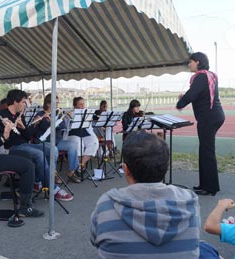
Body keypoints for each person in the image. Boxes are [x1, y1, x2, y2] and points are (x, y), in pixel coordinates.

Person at [90, 130, 202, 258]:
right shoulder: (189, 202)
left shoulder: (107, 204)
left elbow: (95, 239)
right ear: (165, 167)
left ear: (125, 169)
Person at [0, 89, 73, 202]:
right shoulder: (2, 116)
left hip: (23, 145)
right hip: (10, 148)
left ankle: (39, 181)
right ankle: (52, 189)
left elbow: (28, 137)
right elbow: (6, 142)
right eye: (23, 102)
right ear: (15, 102)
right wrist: (10, 129)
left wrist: (24, 126)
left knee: (52, 149)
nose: (25, 105)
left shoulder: (19, 115)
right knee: (39, 154)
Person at [176, 52, 225, 196]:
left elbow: (192, 94)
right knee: (206, 150)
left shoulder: (201, 76)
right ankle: (205, 184)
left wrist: (180, 103)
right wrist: (186, 96)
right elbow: (199, 94)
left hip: (208, 118)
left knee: (207, 151)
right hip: (214, 116)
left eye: (190, 62)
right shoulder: (209, 75)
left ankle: (210, 187)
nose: (189, 64)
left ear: (197, 62)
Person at [33, 93, 81, 183]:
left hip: (57, 141)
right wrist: (43, 121)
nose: (58, 105)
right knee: (53, 149)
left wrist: (55, 120)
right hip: (45, 142)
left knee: (73, 145)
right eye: (56, 103)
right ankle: (53, 174)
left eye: (58, 103)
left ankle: (71, 172)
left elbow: (62, 126)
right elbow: (40, 128)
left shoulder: (58, 114)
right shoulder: (40, 114)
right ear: (48, 104)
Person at [66, 97, 98, 171]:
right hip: (72, 135)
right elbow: (66, 126)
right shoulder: (70, 113)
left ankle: (81, 164)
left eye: (83, 104)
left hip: (85, 135)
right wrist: (70, 119)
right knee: (78, 141)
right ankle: (78, 167)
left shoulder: (87, 113)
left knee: (94, 141)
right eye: (80, 104)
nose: (83, 106)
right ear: (75, 106)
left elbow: (90, 126)